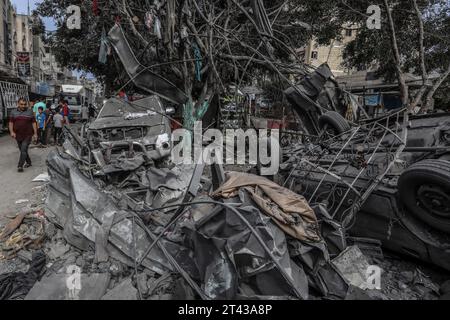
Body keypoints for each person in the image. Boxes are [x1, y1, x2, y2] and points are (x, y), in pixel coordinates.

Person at [8, 98, 38, 172]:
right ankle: (29, 162)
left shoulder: (30, 112)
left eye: (24, 104)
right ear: (18, 104)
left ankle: (20, 166)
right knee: (22, 150)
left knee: (23, 149)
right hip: (18, 135)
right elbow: (11, 123)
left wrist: (35, 133)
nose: (23, 106)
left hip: (28, 135)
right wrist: (12, 132)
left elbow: (34, 123)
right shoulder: (13, 112)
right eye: (21, 104)